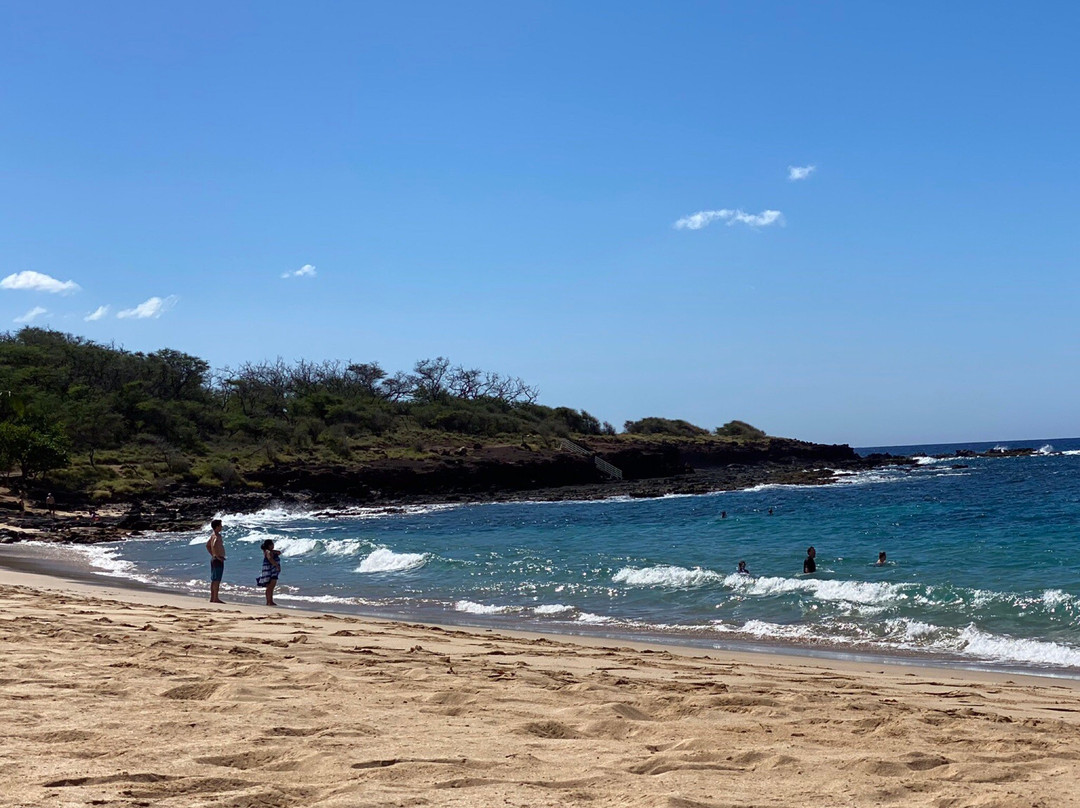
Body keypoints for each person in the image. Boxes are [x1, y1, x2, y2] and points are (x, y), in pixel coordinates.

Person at [256, 539, 282, 606]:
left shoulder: (269, 551)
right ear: (269, 545)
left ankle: (270, 601)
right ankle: (269, 601)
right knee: (271, 586)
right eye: (272, 544)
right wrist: (276, 565)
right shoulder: (268, 552)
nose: (273, 545)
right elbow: (270, 559)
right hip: (271, 570)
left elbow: (279, 552)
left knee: (271, 586)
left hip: (271, 570)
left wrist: (273, 551)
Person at [205, 518, 226, 603]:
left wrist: (213, 554)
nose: (221, 527)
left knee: (214, 579)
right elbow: (213, 545)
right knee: (217, 580)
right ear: (217, 527)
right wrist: (217, 556)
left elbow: (207, 545)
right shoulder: (217, 536)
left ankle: (212, 597)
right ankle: (215, 598)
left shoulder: (212, 535)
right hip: (217, 559)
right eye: (220, 525)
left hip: (214, 558)